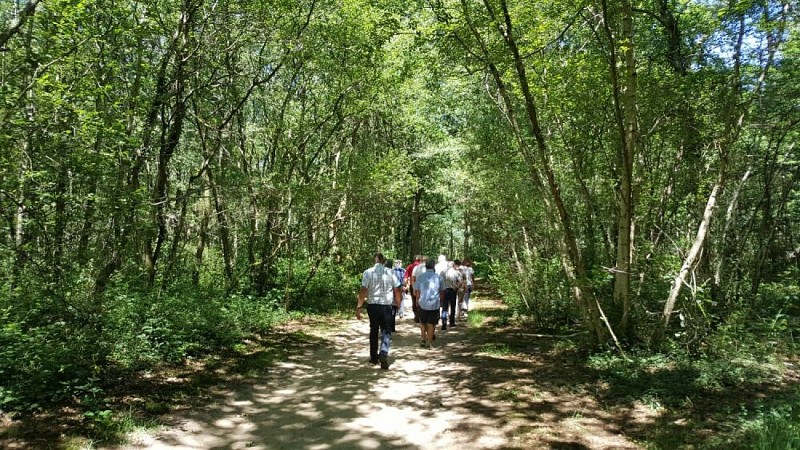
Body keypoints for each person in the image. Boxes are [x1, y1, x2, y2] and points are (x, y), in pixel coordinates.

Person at [356, 253, 401, 369]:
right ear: (383, 261)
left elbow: (363, 290)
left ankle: (373, 357)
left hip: (373, 306)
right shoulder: (390, 272)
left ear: (374, 261)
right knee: (386, 330)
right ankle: (384, 353)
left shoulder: (368, 272)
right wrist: (398, 302)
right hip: (386, 306)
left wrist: (359, 306)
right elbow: (397, 289)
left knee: (374, 330)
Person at [413, 258, 444, 349]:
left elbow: (417, 291)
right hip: (434, 304)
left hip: (423, 302)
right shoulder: (438, 277)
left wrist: (416, 301)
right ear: (434, 266)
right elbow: (442, 292)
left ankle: (423, 338)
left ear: (426, 266)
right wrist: (441, 301)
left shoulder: (421, 277)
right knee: (431, 324)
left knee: (423, 322)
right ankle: (429, 343)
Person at [442, 259, 464, 330]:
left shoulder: (443, 272)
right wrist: (457, 287)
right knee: (452, 306)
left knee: (445, 307)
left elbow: (439, 281)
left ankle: (444, 323)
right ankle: (452, 322)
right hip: (452, 291)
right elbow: (460, 282)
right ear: (453, 265)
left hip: (444, 290)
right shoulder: (456, 272)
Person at [404, 255, 421, 321]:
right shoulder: (423, 267)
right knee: (421, 299)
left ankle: (416, 316)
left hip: (413, 285)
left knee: (414, 300)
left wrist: (405, 285)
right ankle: (421, 315)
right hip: (422, 286)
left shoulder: (410, 266)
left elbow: (405, 277)